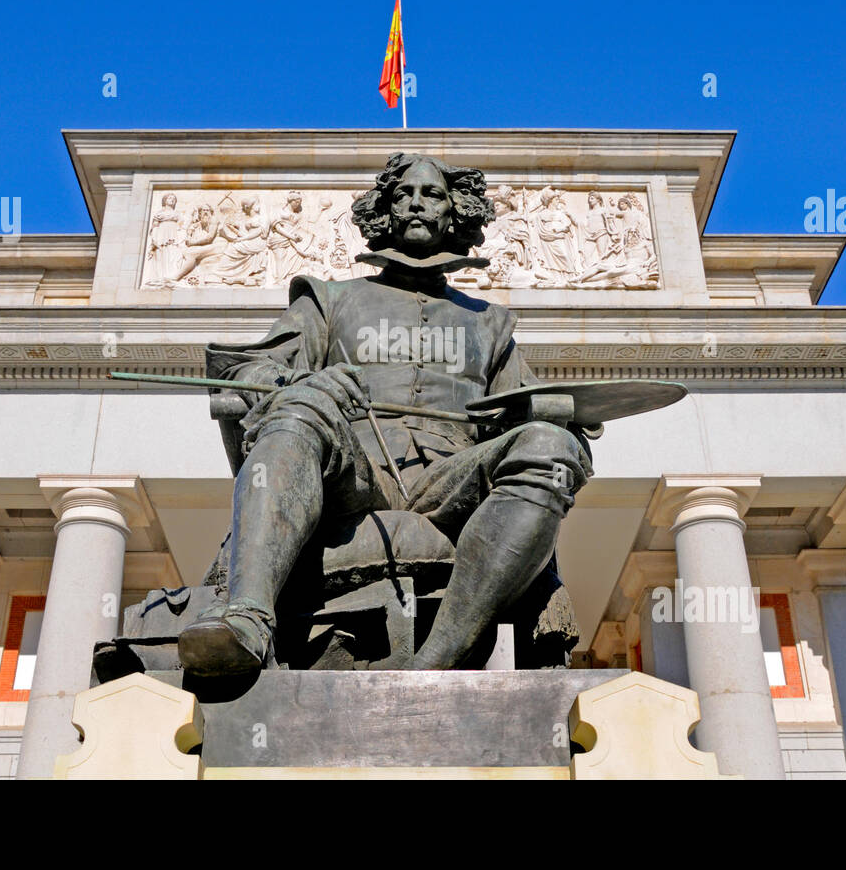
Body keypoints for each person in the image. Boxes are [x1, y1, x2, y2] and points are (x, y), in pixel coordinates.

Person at [178, 153, 593, 674]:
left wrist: (563, 417)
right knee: (300, 408)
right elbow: (248, 374)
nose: (417, 202)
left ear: (455, 211)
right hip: (350, 475)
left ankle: (438, 660)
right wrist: (301, 380)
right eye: (403, 194)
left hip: (452, 482)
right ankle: (246, 622)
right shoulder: (327, 301)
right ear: (385, 211)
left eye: (432, 194)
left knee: (552, 447)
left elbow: (528, 414)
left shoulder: (491, 324)